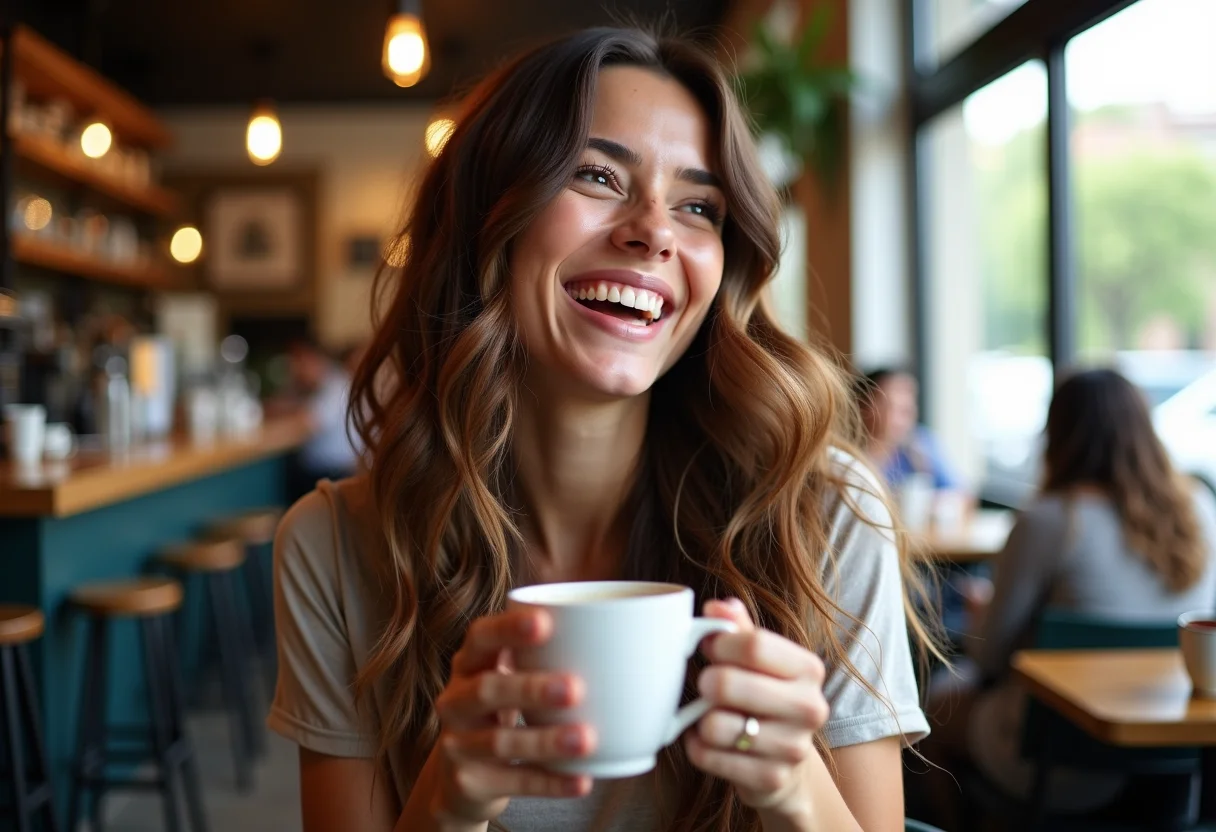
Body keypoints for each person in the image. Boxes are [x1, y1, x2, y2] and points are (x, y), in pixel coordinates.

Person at [268, 28, 942, 832]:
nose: (654, 231)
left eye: (699, 207)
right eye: (596, 175)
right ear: (490, 219)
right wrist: (449, 798)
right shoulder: (336, 550)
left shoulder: (821, 515)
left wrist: (795, 781)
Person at [920, 368, 1216, 823]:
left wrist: (984, 612)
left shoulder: (1052, 520)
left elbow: (989, 659)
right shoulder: (1199, 509)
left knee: (931, 708)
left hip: (1056, 755)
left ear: (1059, 434)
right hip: (1176, 759)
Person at [855, 367, 958, 492]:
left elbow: (961, 493)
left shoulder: (921, 444)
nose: (906, 416)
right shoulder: (848, 453)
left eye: (908, 407)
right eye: (894, 406)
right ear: (864, 406)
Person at [283, 337, 363, 495]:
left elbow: (308, 425)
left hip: (332, 474)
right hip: (326, 472)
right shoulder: (324, 384)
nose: (297, 370)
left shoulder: (334, 386)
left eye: (300, 363)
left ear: (315, 359)